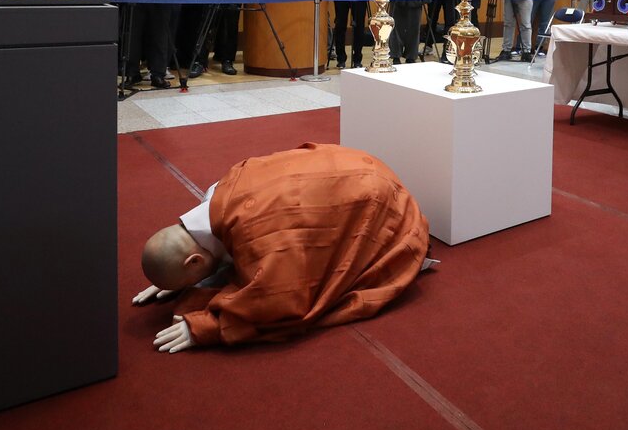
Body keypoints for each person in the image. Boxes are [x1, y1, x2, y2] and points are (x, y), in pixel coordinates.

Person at [132, 142, 428, 353]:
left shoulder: (258, 238)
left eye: (193, 276)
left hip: (381, 202)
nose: (197, 284)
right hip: (356, 163)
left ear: (195, 261)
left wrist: (207, 327)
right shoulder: (222, 187)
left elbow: (277, 301)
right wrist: (178, 276)